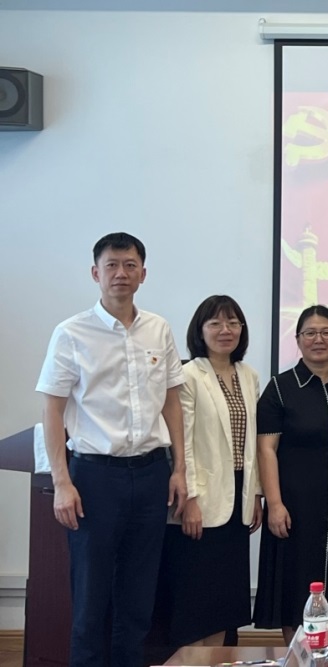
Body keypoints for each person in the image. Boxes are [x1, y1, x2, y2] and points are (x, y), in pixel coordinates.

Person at [36, 232, 187, 667]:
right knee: (91, 594)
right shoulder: (71, 333)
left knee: (139, 595)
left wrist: (179, 469)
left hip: (152, 472)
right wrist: (62, 481)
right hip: (95, 477)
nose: (121, 273)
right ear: (95, 273)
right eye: (112, 265)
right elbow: (52, 409)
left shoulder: (158, 328)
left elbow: (172, 402)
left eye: (130, 265)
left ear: (143, 273)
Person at [151, 295, 262, 651]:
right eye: (215, 323)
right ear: (200, 331)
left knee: (224, 601)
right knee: (195, 598)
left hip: (237, 497)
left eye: (233, 323)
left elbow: (251, 443)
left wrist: (255, 493)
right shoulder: (188, 375)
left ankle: (214, 659)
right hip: (200, 497)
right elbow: (180, 440)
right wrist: (191, 497)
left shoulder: (249, 375)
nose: (225, 330)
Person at [253, 305, 328, 642]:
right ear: (298, 339)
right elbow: (266, 449)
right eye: (311, 333)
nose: (319, 339)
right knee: (295, 580)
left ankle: (325, 654)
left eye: (327, 332)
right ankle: (298, 656)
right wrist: (274, 504)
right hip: (294, 504)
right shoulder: (280, 387)